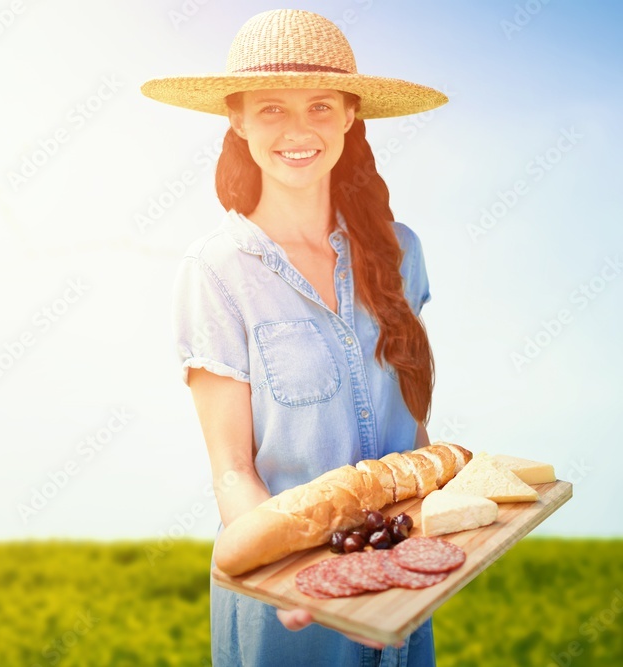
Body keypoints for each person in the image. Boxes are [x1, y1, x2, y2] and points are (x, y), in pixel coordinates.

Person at [141, 9, 448, 667]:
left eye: (318, 105)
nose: (299, 129)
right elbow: (233, 470)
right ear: (238, 120)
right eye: (272, 109)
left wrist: (422, 556)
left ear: (348, 117)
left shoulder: (402, 253)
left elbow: (414, 443)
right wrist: (298, 580)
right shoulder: (216, 269)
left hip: (400, 606)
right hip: (288, 617)